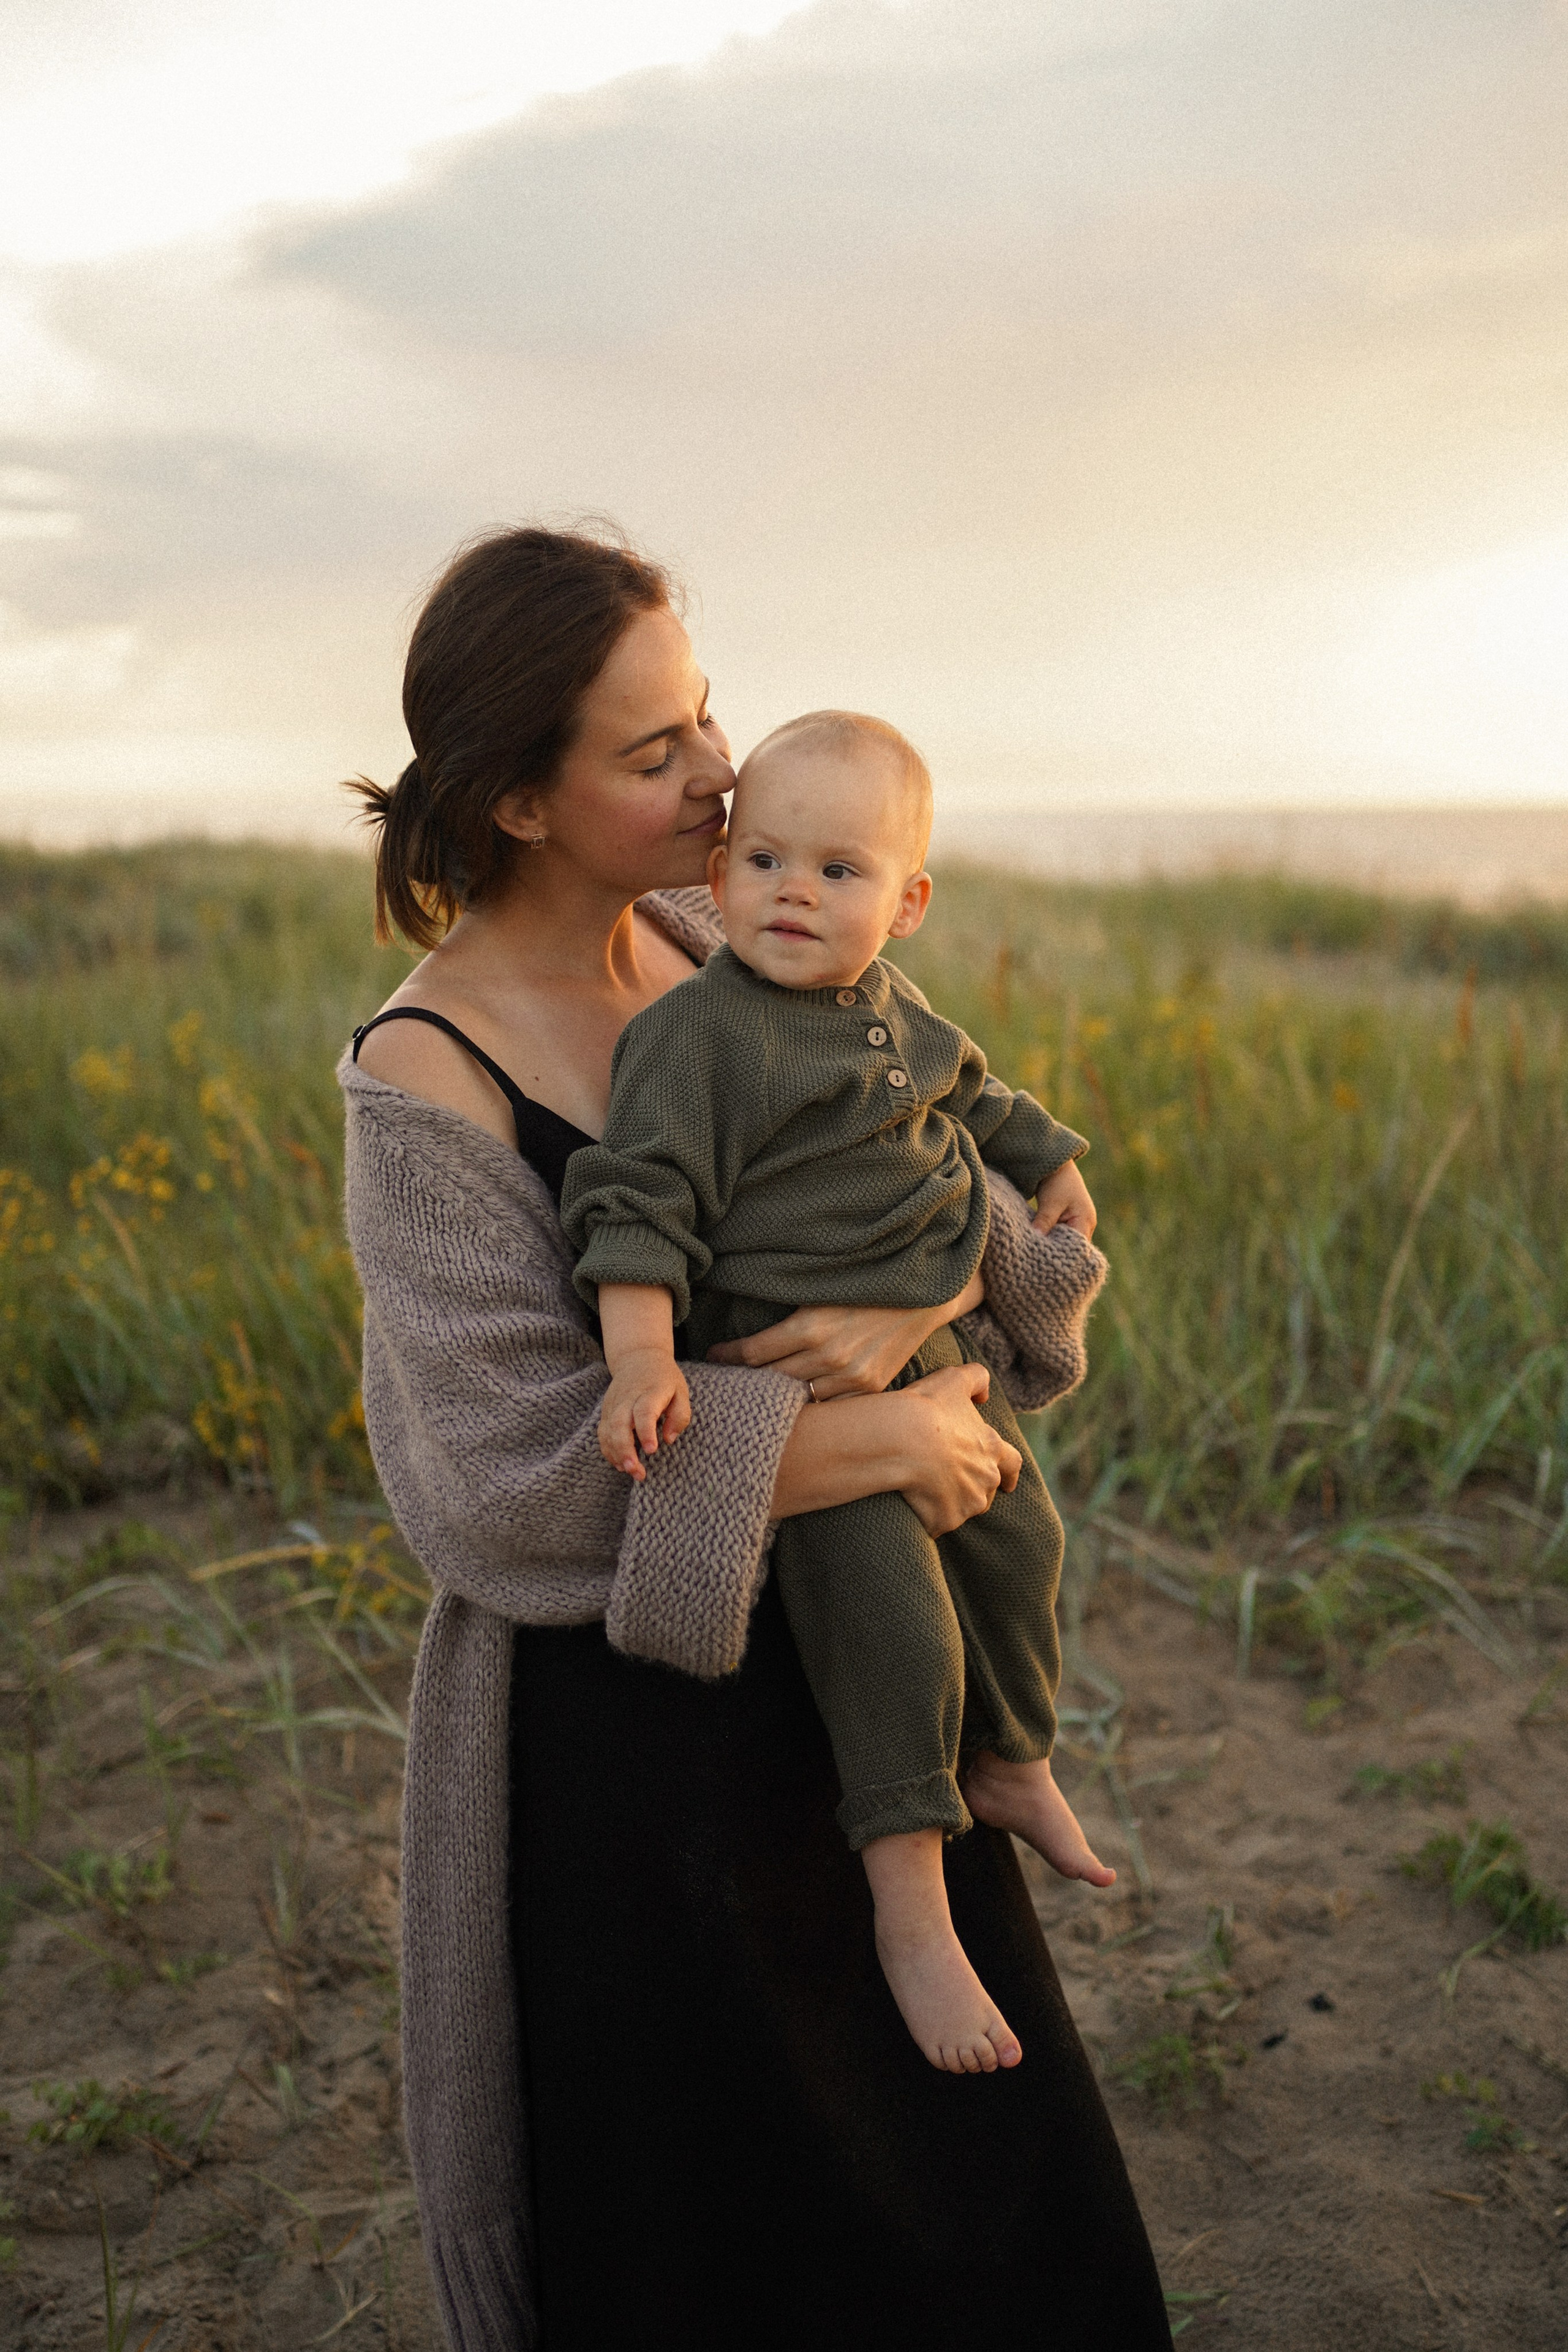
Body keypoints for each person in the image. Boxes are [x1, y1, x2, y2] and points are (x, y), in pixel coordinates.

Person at [342, 524, 1173, 2350]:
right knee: (738, 2248)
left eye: (704, 713)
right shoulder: (428, 1080)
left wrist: (915, 1318)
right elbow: (510, 1493)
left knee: (988, 2204)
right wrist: (869, 1445)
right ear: (515, 801)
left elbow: (940, 1178)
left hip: (870, 1685)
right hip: (641, 1770)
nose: (723, 770)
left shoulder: (742, 927)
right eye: (654, 754)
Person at [562, 707, 1117, 2079]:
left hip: (930, 1363)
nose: (790, 892)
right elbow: (635, 1208)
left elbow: (975, 1097)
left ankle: (1010, 1754)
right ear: (719, 873)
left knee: (1019, 1543)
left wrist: (1050, 1166)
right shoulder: (698, 1034)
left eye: (836, 871)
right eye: (759, 861)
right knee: (891, 1627)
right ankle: (912, 1918)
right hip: (789, 1389)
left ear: (907, 903)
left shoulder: (892, 1007)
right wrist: (640, 1358)